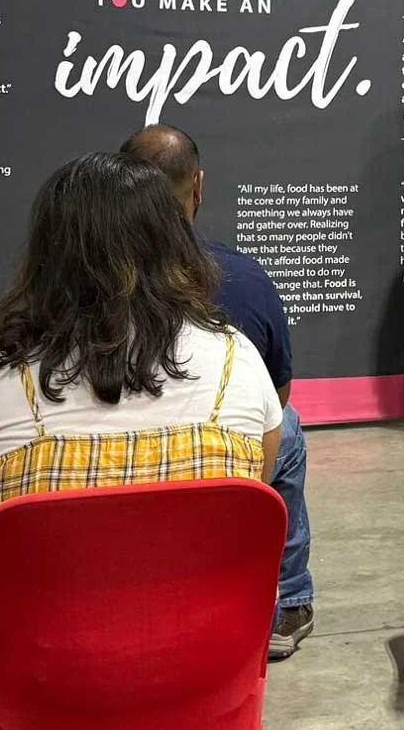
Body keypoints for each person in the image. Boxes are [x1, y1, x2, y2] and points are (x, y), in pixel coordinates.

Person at [0, 152, 282, 730]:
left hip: (52, 673)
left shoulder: (6, 375)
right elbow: (256, 484)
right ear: (173, 238)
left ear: (48, 254)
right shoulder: (237, 360)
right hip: (204, 665)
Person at [120, 123, 315, 660]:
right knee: (289, 429)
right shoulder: (243, 282)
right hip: (215, 482)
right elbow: (277, 400)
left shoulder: (73, 289)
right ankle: (288, 598)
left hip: (90, 501)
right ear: (198, 188)